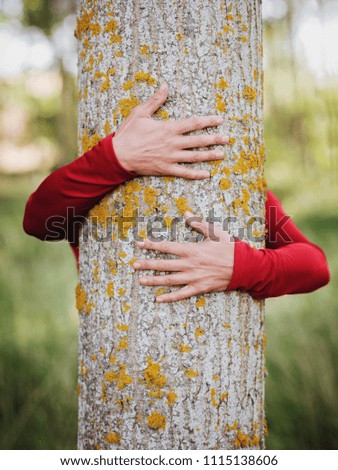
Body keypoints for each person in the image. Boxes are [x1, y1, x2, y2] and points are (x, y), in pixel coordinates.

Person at [23, 83, 330, 303]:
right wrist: (118, 158)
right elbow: (38, 220)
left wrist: (243, 267)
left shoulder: (238, 185)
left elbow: (315, 266)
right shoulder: (97, 177)